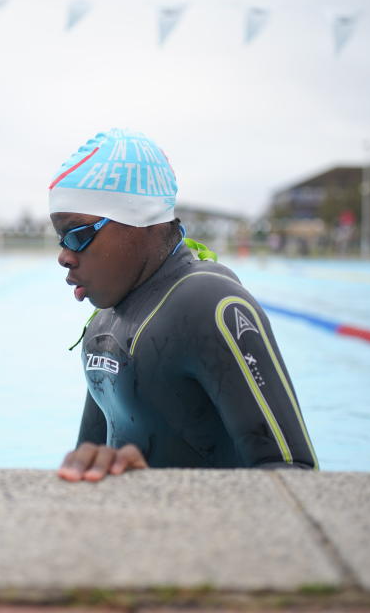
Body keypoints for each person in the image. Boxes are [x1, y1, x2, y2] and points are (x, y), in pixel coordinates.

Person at [48, 129, 317, 482]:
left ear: (139, 221)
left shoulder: (208, 304)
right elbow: (89, 464)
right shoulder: (103, 324)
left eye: (78, 235)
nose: (64, 256)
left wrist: (176, 497)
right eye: (60, 238)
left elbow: (294, 479)